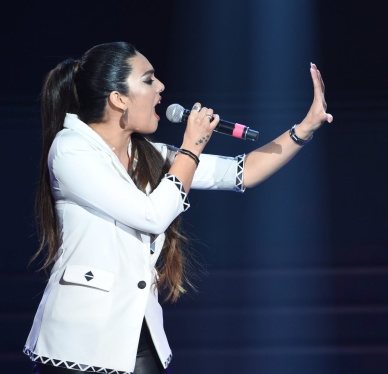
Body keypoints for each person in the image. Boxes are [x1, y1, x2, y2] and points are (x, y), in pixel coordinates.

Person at [23, 41, 333, 374]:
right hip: (80, 338)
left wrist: (305, 128)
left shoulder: (148, 155)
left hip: (137, 332)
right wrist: (191, 147)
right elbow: (151, 215)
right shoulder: (72, 149)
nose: (161, 87)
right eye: (148, 80)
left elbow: (242, 171)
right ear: (118, 98)